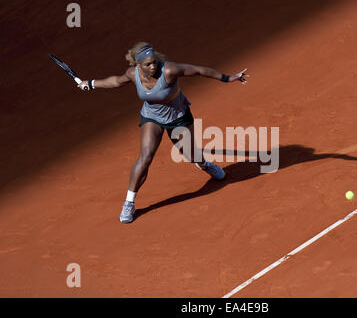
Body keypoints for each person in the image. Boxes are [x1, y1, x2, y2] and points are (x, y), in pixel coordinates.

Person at [77, 42, 250, 223]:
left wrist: (228, 78)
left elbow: (199, 70)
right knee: (145, 157)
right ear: (138, 65)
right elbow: (116, 81)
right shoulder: (132, 75)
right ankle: (129, 202)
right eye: (148, 65)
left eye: (154, 62)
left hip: (178, 118)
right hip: (152, 118)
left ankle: (204, 164)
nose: (153, 67)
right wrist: (91, 84)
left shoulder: (169, 71)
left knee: (191, 155)